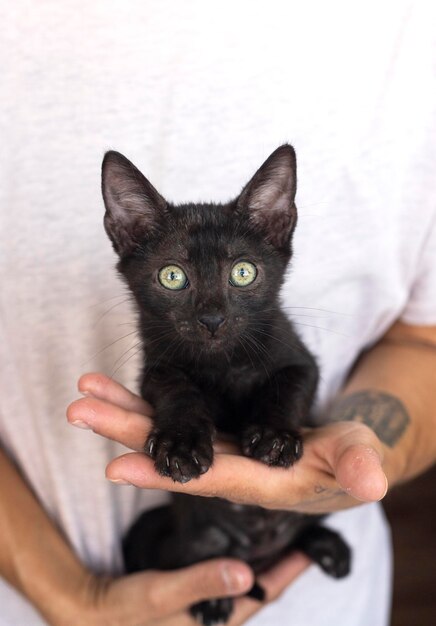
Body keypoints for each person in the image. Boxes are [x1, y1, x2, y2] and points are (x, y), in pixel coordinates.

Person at [1, 1, 435, 625]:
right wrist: (74, 598)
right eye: (172, 277)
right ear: (126, 238)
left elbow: (424, 343)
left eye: (241, 274)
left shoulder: (412, 30)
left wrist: (349, 463)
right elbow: (167, 383)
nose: (209, 311)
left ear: (277, 231)